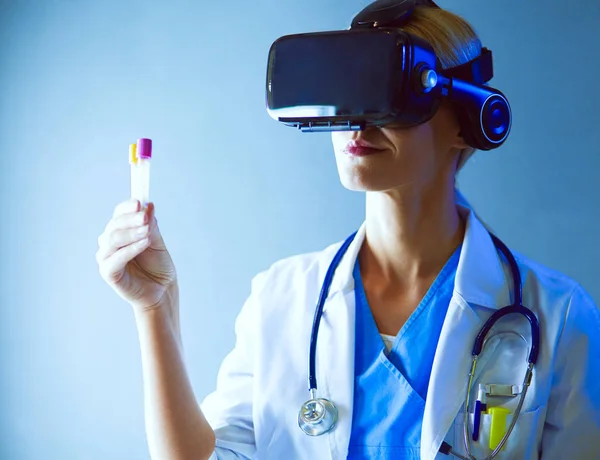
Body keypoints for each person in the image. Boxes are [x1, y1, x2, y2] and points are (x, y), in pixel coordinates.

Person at [96, 3, 600, 460]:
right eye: (346, 92)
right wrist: (154, 307)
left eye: (389, 95)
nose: (356, 121)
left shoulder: (559, 316)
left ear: (469, 120)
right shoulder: (279, 298)